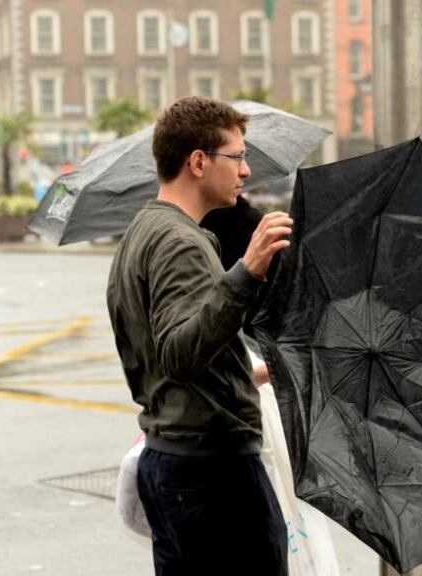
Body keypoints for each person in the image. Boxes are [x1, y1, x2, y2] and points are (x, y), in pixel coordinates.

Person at [106, 96, 294, 576]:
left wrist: (254, 371)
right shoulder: (179, 243)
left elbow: (175, 357)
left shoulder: (143, 231)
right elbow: (180, 354)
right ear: (197, 161)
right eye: (237, 156)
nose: (246, 171)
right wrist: (246, 273)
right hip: (213, 475)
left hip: (176, 463)